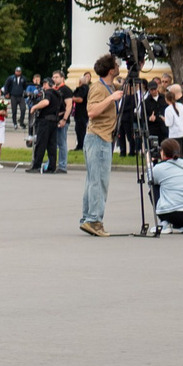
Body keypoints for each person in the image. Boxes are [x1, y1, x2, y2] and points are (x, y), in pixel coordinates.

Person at [78, 54, 121, 235]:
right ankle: (94, 220)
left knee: (93, 180)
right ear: (111, 70)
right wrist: (111, 99)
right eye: (117, 65)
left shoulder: (110, 86)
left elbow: (126, 88)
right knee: (99, 181)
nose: (119, 66)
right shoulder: (98, 88)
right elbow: (91, 111)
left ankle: (88, 217)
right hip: (98, 137)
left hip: (100, 138)